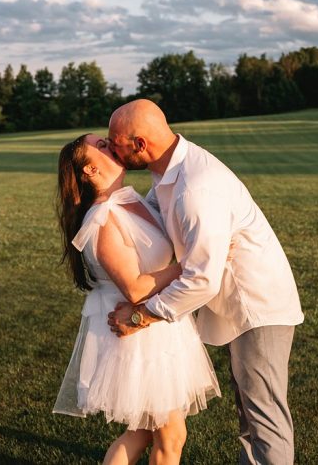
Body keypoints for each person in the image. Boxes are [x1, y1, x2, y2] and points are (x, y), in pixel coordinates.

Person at [107, 100, 304, 465]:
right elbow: (155, 219)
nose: (111, 149)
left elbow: (202, 279)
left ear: (139, 145)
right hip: (237, 304)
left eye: (114, 142)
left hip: (256, 305)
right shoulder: (170, 169)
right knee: (250, 411)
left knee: (264, 416)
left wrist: (141, 317)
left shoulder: (196, 188)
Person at [53, 132, 221, 465]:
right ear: (87, 171)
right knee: (170, 436)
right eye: (101, 146)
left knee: (143, 433)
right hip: (135, 334)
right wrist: (193, 265)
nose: (111, 145)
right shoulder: (102, 219)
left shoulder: (130, 199)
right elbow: (134, 287)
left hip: (155, 325)